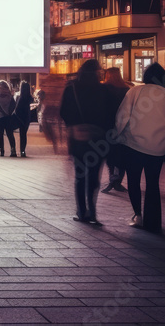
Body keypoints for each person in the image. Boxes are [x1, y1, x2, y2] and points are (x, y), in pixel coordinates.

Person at [114, 63, 165, 234]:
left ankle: (138, 215)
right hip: (158, 148)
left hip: (133, 145)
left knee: (133, 181)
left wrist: (118, 135)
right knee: (152, 183)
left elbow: (122, 116)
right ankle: (154, 221)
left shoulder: (135, 91)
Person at [60, 60, 115, 225]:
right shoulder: (104, 89)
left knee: (80, 175)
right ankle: (92, 211)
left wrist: (73, 125)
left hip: (78, 138)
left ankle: (81, 211)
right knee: (93, 175)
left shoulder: (71, 88)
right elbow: (111, 114)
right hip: (98, 139)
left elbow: (64, 111)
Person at [100, 67, 130, 193]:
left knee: (110, 154)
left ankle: (113, 178)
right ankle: (117, 180)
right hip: (123, 126)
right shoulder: (126, 90)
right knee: (121, 153)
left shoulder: (104, 89)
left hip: (108, 125)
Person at [0, 80, 18, 157]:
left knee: (0, 134)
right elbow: (13, 105)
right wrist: (8, 111)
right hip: (8, 117)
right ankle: (13, 150)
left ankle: (1, 150)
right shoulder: (9, 95)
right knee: (10, 134)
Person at [14, 81, 34, 158]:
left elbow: (17, 109)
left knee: (21, 135)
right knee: (24, 135)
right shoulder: (29, 98)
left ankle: (21, 150)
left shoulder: (20, 98)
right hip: (27, 118)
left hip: (20, 118)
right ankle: (23, 151)